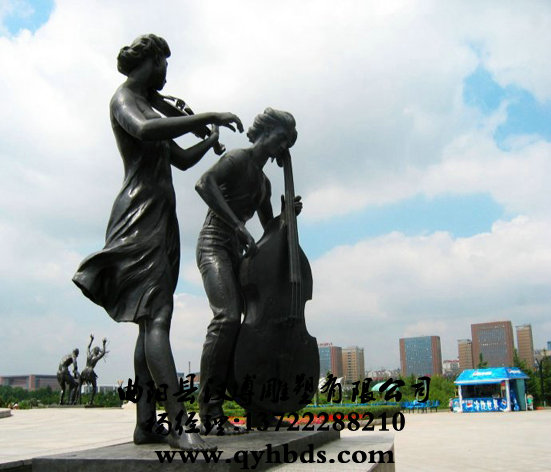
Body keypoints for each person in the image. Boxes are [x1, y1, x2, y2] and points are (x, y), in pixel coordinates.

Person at [72, 34, 243, 450]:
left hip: (162, 218)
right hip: (139, 217)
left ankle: (146, 424)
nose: (167, 72)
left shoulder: (149, 104)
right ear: (149, 62)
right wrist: (207, 114)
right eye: (164, 63)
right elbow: (146, 130)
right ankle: (179, 423)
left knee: (149, 321)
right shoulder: (125, 100)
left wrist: (208, 138)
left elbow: (180, 160)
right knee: (158, 317)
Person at [195, 108, 300, 432]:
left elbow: (269, 230)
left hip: (237, 250)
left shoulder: (264, 184)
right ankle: (210, 409)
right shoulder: (238, 158)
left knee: (249, 331)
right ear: (266, 131)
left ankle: (258, 408)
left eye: (287, 142)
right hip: (214, 243)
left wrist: (286, 216)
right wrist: (238, 226)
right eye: (281, 137)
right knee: (227, 318)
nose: (283, 146)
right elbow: (204, 184)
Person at [77, 334, 108, 405]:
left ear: (93, 350)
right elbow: (103, 353)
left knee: (80, 385)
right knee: (94, 387)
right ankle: (91, 401)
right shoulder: (96, 358)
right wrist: (104, 344)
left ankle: (78, 400)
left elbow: (88, 347)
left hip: (84, 370)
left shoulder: (89, 355)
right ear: (97, 352)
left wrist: (91, 340)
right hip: (90, 371)